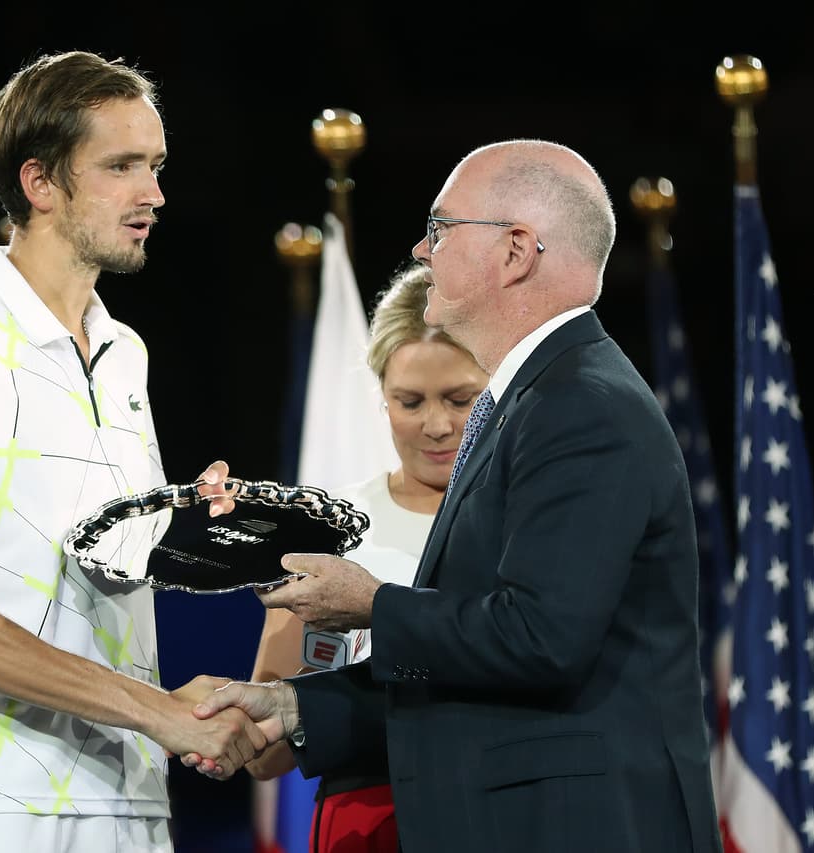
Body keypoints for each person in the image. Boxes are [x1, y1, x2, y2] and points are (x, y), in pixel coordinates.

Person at [192, 139, 724, 853]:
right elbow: (479, 680)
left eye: (441, 229)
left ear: (516, 251)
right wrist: (295, 704)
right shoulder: (532, 403)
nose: (420, 248)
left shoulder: (580, 405)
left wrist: (370, 603)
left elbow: (540, 641)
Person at [0, 51, 262, 853]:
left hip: (128, 787)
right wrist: (158, 709)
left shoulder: (126, 351)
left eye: (155, 165)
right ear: (39, 183)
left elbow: (85, 557)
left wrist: (193, 527)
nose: (152, 193)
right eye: (121, 166)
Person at [246, 261, 488, 852]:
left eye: (461, 399)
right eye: (410, 401)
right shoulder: (326, 533)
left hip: (502, 811)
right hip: (368, 823)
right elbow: (265, 753)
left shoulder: (537, 522)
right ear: (381, 399)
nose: (437, 425)